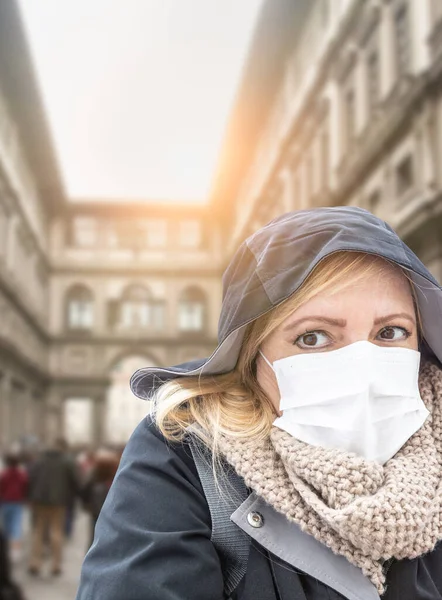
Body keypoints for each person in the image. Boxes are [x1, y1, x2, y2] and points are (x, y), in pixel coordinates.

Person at [76, 207, 442, 600]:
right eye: (313, 337)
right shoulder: (186, 457)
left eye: (390, 331)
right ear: (251, 359)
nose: (363, 365)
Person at [28, 438, 79, 576]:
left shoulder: (39, 461)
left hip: (39, 500)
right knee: (56, 531)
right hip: (59, 500)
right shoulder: (66, 461)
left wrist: (30, 496)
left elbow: (30, 478)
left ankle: (35, 562)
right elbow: (74, 480)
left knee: (38, 531)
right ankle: (55, 565)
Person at [80, 448, 120, 548]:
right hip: (113, 515)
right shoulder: (116, 478)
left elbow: (84, 490)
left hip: (96, 513)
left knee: (94, 538)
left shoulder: (94, 476)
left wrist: (87, 505)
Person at [0, 453, 28, 563]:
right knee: (16, 526)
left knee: (6, 527)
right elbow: (25, 486)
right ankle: (15, 551)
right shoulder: (22, 474)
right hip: (17, 502)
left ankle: (6, 550)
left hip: (5, 502)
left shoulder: (4, 474)